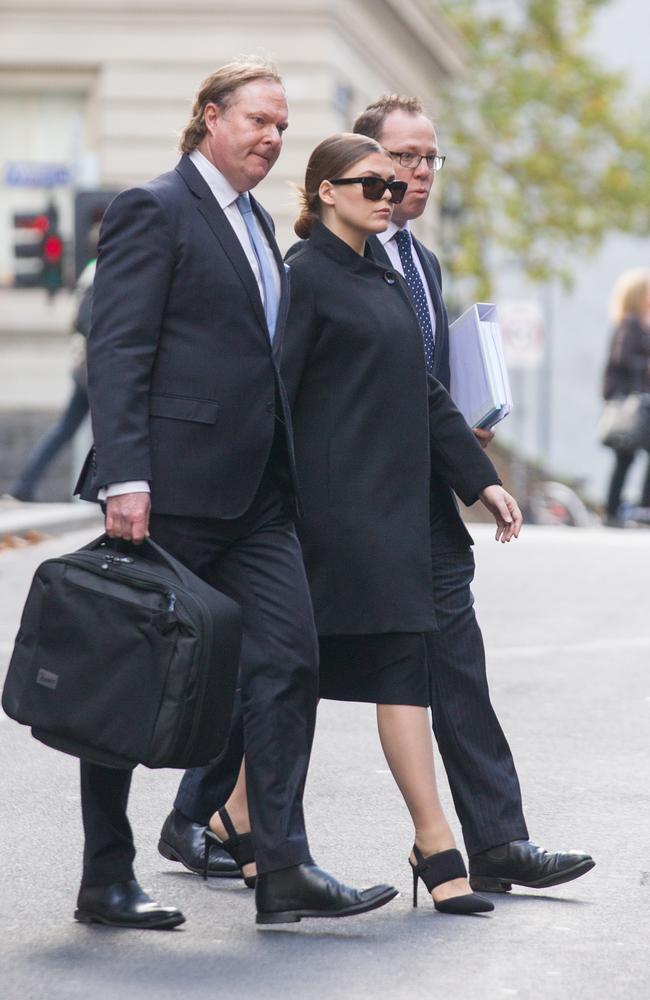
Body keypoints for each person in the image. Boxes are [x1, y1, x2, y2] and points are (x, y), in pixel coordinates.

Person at [161, 95, 594, 899]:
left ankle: (479, 843)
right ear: (337, 179)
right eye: (393, 168)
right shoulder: (305, 277)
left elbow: (424, 390)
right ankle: (223, 812)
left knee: (436, 670)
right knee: (292, 672)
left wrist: (480, 478)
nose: (405, 183)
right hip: (337, 517)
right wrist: (252, 511)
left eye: (423, 166)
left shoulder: (412, 268)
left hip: (414, 510)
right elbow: (275, 394)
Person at [74, 59, 397, 930]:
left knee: (290, 661)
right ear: (209, 117)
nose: (272, 138)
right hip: (170, 491)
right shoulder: (156, 208)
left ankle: (284, 867)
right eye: (258, 120)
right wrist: (125, 477)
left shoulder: (257, 223)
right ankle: (105, 874)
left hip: (259, 497)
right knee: (128, 682)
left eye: (282, 127)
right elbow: (118, 349)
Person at [7, 263, 94, 503]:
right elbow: (85, 320)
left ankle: (24, 485)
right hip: (94, 370)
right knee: (104, 430)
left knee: (64, 429)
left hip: (86, 368)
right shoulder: (103, 269)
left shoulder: (91, 270)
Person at [602, 267, 650, 527]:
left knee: (627, 458)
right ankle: (623, 509)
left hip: (639, 403)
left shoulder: (640, 325)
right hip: (631, 405)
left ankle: (625, 508)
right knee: (625, 457)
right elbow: (621, 359)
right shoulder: (630, 324)